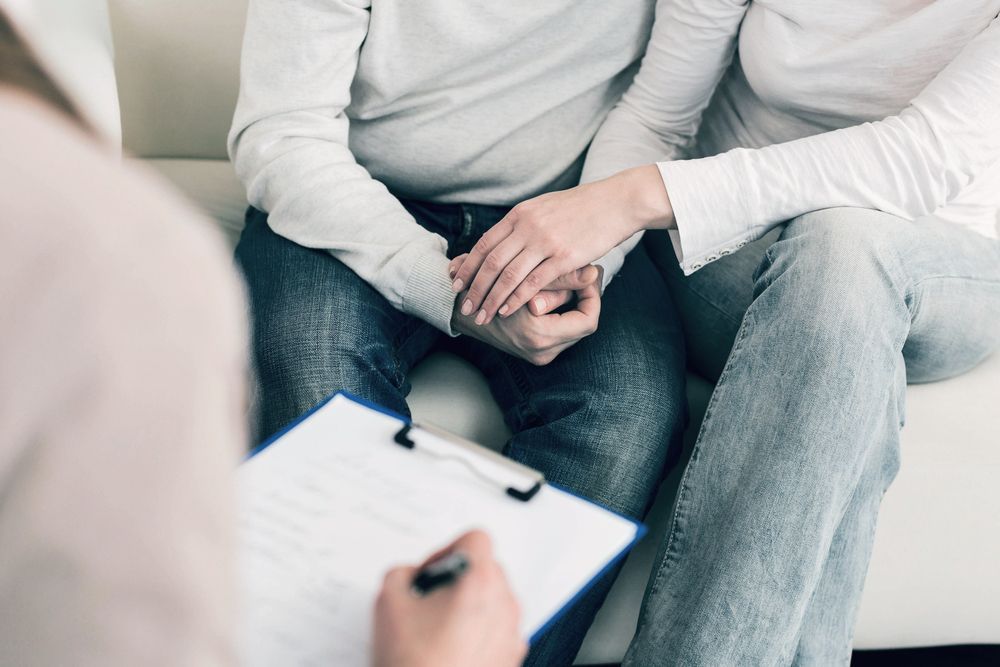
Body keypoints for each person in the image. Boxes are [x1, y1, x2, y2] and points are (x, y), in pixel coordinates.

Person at [452, 1, 1000, 664]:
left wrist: (631, 198)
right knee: (844, 336)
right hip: (735, 255)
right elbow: (659, 113)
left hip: (948, 261)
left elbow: (920, 159)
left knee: (842, 243)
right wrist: (581, 258)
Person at [0, 13, 523, 667]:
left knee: (626, 410)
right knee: (310, 359)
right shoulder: (119, 259)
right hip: (333, 198)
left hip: (544, 219)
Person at [228, 2, 687, 663]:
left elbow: (659, 113)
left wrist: (582, 253)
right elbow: (281, 134)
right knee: (317, 388)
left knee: (629, 414)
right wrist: (456, 292)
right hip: (350, 196)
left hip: (566, 210)